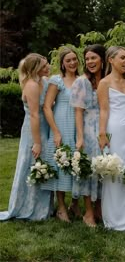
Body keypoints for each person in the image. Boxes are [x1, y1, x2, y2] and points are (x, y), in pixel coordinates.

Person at [0, 53, 52, 221]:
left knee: (43, 163)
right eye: (44, 66)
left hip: (44, 127)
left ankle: (42, 206)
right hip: (34, 130)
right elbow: (34, 115)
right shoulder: (31, 85)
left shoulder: (43, 82)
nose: (48, 67)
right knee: (31, 162)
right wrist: (37, 142)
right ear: (35, 68)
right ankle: (26, 206)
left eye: (47, 64)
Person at [97, 46, 125, 231]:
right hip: (115, 131)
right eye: (122, 57)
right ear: (111, 60)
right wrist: (102, 134)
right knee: (114, 171)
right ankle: (113, 218)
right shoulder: (104, 83)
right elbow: (104, 110)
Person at [41, 47, 80, 223]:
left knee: (78, 163)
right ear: (62, 64)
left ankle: (75, 203)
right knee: (61, 164)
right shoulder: (57, 80)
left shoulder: (82, 80)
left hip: (77, 125)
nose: (72, 63)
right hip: (61, 125)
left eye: (74, 59)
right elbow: (47, 106)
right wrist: (55, 131)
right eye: (68, 60)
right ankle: (61, 207)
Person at [70, 44, 106, 227]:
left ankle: (99, 208)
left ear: (102, 59)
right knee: (88, 170)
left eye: (94, 58)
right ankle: (88, 212)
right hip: (88, 129)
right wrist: (80, 137)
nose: (90, 62)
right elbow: (78, 112)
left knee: (103, 169)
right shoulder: (82, 82)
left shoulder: (108, 80)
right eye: (88, 59)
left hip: (106, 129)